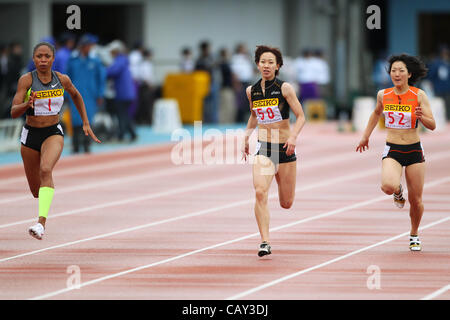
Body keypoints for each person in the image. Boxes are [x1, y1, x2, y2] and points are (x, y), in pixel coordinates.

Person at [10, 42, 100, 240]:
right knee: (36, 191)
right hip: (30, 135)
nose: (43, 60)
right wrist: (27, 104)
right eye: (39, 56)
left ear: (53, 59)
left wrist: (85, 122)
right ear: (33, 59)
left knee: (46, 169)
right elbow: (14, 111)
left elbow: (76, 95)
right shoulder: (26, 80)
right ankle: (44, 196)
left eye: (47, 56)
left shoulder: (62, 79)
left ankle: (41, 224)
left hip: (53, 132)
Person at [356, 54, 435, 252]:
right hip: (393, 148)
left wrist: (422, 117)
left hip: (414, 149)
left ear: (409, 74)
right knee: (388, 186)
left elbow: (432, 125)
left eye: (401, 70)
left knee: (416, 201)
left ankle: (414, 233)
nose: (397, 74)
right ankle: (398, 190)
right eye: (393, 70)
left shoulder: (419, 95)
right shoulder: (383, 94)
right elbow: (376, 113)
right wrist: (365, 136)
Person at [242, 45, 306, 257]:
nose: (266, 65)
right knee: (260, 192)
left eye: (271, 62)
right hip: (265, 147)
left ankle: (279, 177)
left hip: (285, 150)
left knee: (286, 203)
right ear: (257, 65)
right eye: (263, 62)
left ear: (278, 66)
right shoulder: (252, 91)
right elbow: (254, 115)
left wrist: (294, 137)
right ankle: (265, 241)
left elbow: (301, 116)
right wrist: (246, 136)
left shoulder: (285, 88)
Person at [67, 34, 106, 153]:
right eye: (87, 46)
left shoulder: (95, 61)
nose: (89, 48)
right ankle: (75, 145)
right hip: (75, 95)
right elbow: (66, 78)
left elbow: (101, 78)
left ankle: (87, 145)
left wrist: (100, 94)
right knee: (75, 120)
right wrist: (65, 94)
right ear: (82, 47)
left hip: (90, 96)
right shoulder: (73, 61)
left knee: (88, 120)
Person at [106, 40, 137, 142]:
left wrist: (103, 70)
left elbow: (112, 72)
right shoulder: (123, 60)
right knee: (125, 114)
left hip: (123, 93)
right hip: (127, 93)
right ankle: (132, 134)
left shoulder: (119, 61)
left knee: (121, 114)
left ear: (116, 51)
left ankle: (121, 135)